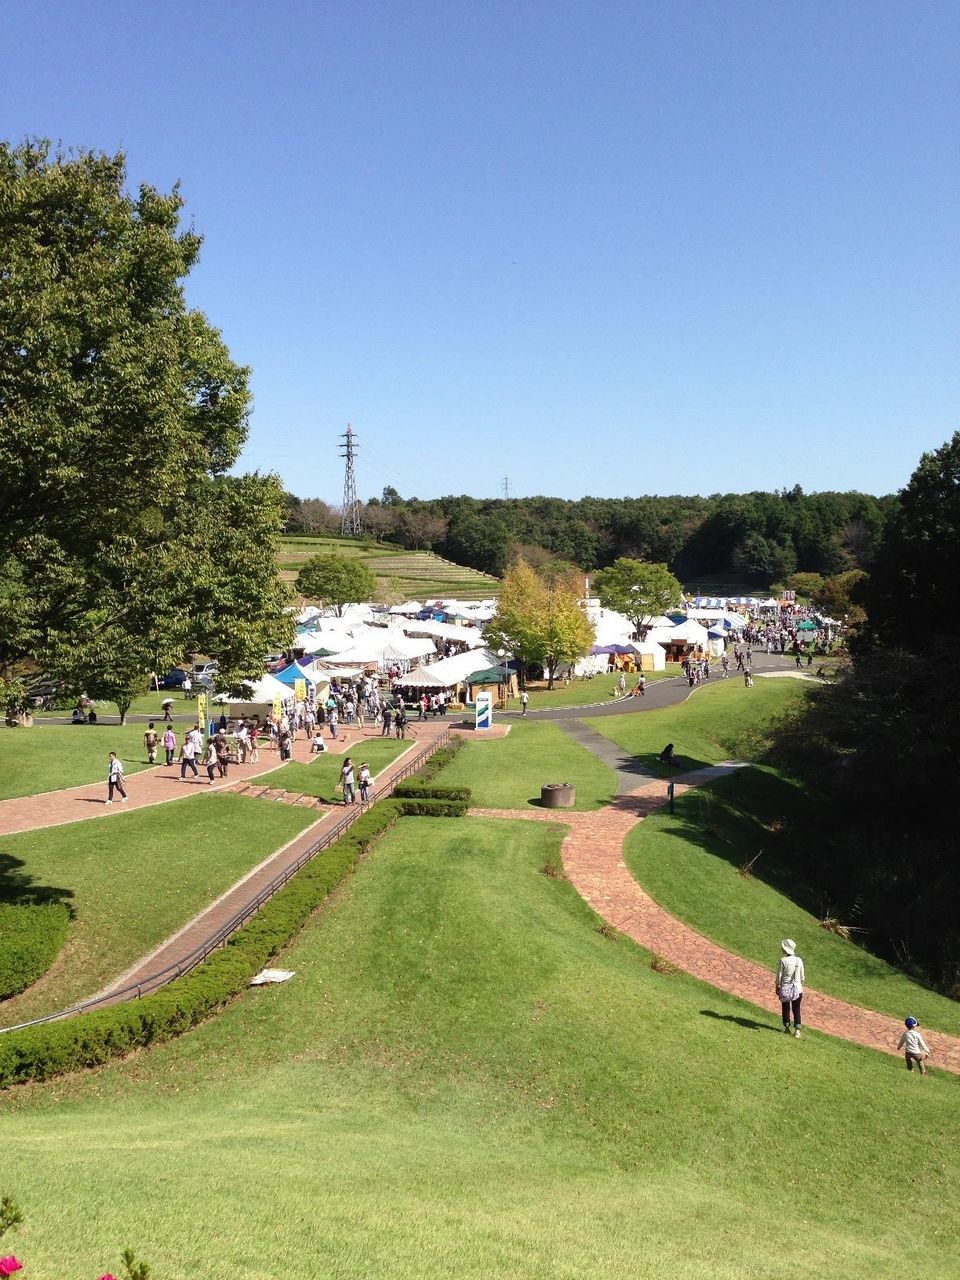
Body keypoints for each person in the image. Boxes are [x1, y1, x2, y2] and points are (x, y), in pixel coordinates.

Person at [776, 939, 805, 1038]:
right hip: (798, 989)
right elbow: (802, 977)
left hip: (785, 988)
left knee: (786, 1007)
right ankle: (797, 1030)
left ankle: (787, 1027)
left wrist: (777, 986)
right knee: (796, 1008)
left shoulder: (783, 960)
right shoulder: (799, 960)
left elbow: (779, 976)